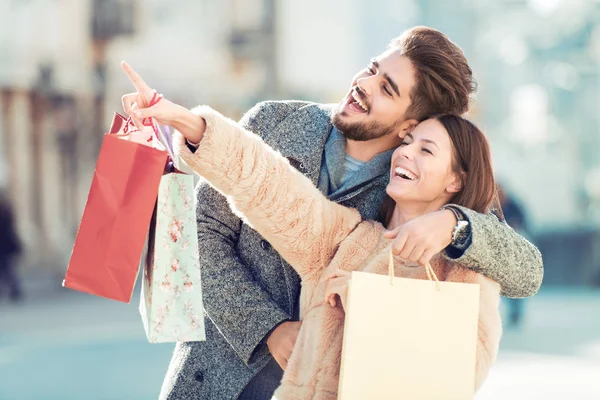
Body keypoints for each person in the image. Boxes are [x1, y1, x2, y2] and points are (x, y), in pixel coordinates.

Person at [122, 26, 543, 400]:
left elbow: (525, 270)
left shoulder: (416, 181)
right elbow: (211, 226)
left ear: (411, 121)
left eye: (387, 89)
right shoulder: (275, 120)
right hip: (216, 369)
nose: (364, 84)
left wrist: (455, 223)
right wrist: (268, 330)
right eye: (372, 68)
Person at [498, 184, 531, 329]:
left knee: (518, 282)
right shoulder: (494, 207)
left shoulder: (514, 205)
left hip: (517, 247)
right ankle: (512, 313)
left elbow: (525, 224)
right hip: (501, 251)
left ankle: (517, 313)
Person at [0, 189, 22, 302]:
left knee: (7, 269)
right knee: (7, 269)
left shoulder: (5, 209)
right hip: (6, 244)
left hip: (4, 245)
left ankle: (15, 290)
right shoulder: (7, 209)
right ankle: (14, 290)